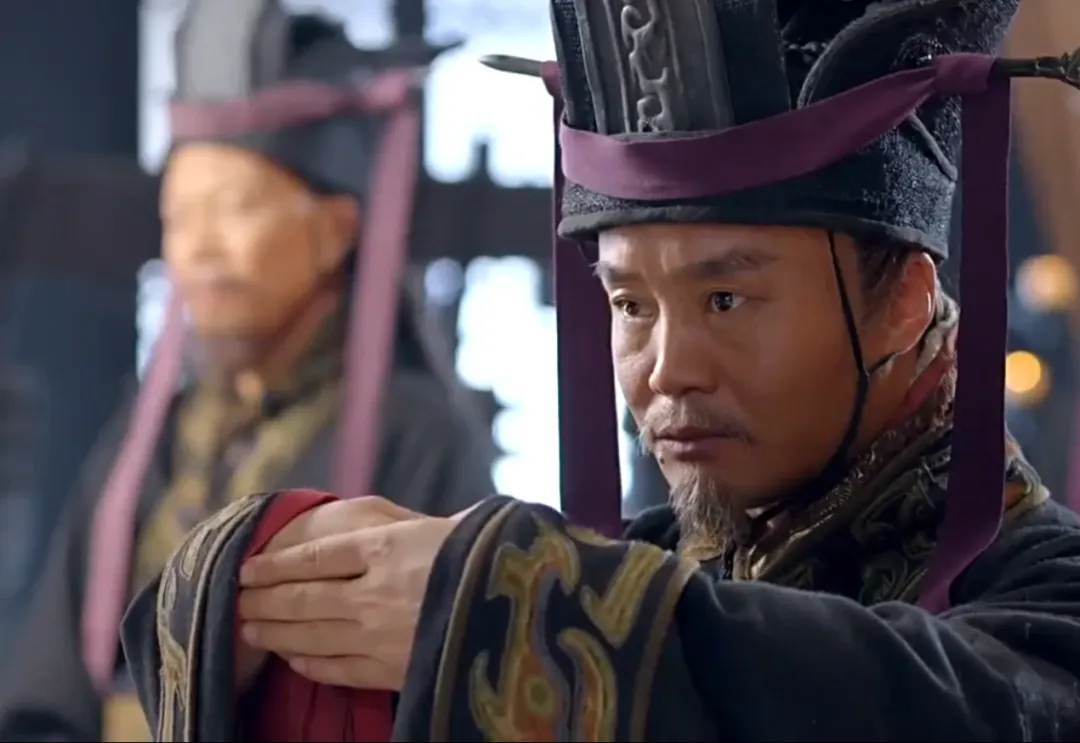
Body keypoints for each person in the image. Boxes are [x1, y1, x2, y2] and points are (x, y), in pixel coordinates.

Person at [122, 0, 1080, 739]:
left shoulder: (1046, 596)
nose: (668, 369)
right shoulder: (636, 572)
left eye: (725, 299)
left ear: (904, 299)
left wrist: (514, 619)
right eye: (631, 305)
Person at [0, 4, 494, 741]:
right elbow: (48, 700)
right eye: (181, 217)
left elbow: (458, 695)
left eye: (233, 210)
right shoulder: (150, 443)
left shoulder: (421, 437)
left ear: (335, 230)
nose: (198, 249)